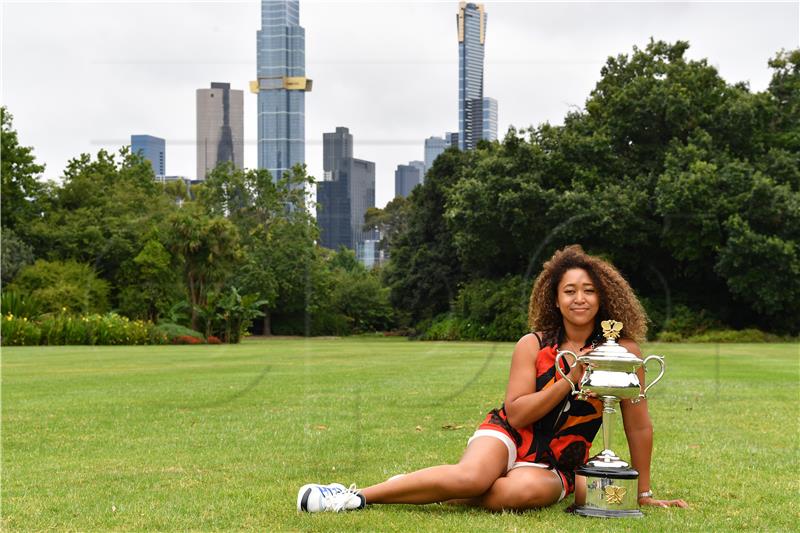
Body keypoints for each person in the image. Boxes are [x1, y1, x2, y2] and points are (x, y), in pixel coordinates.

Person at [297, 245, 688, 513]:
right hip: (509, 436)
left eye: (588, 291)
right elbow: (517, 415)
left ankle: (438, 485)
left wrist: (645, 493)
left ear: (602, 299)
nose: (579, 298)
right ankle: (353, 497)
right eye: (569, 290)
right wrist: (570, 378)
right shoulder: (532, 345)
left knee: (518, 492)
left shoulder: (622, 353)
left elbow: (639, 427)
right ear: (555, 299)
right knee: (474, 475)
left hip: (560, 461)